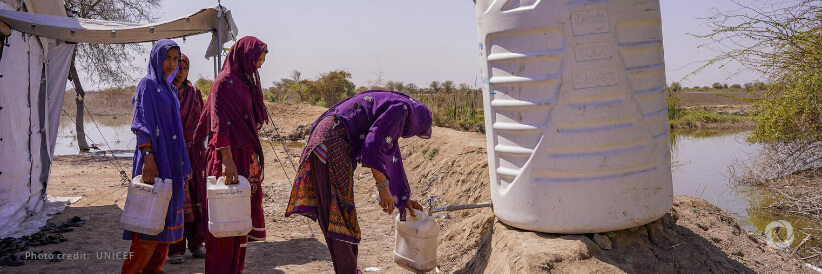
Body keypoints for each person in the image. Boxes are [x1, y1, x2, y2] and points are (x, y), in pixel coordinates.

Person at [285, 90, 431, 274]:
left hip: (325, 138)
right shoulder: (401, 110)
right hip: (333, 143)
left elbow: (389, 153)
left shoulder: (396, 104)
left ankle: (348, 270)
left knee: (336, 212)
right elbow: (373, 148)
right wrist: (383, 189)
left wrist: (402, 199)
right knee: (339, 214)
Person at [194, 36, 268, 274]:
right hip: (229, 158)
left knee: (239, 221)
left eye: (262, 62)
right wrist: (227, 161)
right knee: (224, 220)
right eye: (258, 60)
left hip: (245, 157)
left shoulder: (243, 82)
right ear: (245, 55)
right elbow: (218, 124)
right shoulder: (224, 82)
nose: (258, 65)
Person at [121, 39, 192, 274]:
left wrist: (183, 165)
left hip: (171, 162)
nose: (172, 64)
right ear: (156, 58)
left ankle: (154, 270)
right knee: (148, 225)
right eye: (167, 58)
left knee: (165, 230)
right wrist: (148, 157)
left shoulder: (170, 89)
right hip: (154, 160)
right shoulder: (148, 85)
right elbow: (141, 123)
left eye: (175, 59)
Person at [167, 53, 207, 264]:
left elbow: (201, 120)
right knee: (177, 200)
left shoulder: (193, 93)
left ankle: (196, 243)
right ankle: (175, 248)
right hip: (173, 152)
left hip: (193, 152)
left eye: (185, 68)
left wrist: (193, 141)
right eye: (178, 68)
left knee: (197, 195)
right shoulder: (165, 91)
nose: (181, 72)